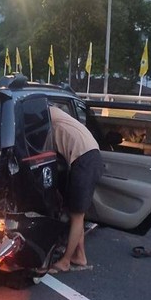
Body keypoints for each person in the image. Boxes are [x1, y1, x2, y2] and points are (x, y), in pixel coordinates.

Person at [48, 105, 104, 273]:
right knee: (75, 213)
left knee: (77, 215)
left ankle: (65, 261)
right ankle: (80, 256)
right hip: (87, 157)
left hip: (85, 160)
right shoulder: (54, 113)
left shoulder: (45, 113)